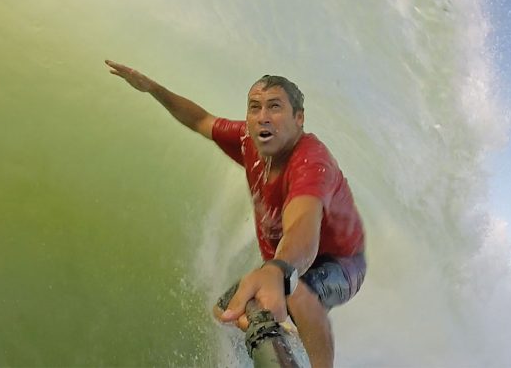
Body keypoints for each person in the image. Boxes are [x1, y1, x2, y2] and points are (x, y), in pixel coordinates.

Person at [105, 60, 366, 368]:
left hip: (340, 265)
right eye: (254, 108)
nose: (262, 117)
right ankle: (278, 340)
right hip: (283, 264)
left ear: (299, 119)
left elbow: (302, 227)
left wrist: (277, 269)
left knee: (297, 290)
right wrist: (155, 90)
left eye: (274, 107)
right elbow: (200, 119)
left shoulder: (311, 162)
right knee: (226, 313)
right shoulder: (247, 141)